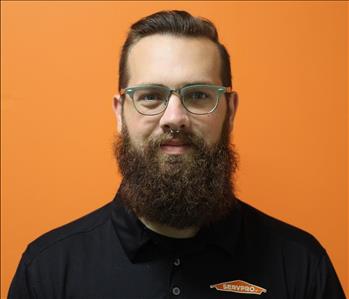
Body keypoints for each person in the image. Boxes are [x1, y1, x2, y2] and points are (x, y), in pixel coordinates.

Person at [8, 10, 345, 299]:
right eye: (151, 96)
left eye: (198, 95)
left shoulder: (302, 266)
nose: (174, 118)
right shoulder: (47, 272)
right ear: (119, 113)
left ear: (230, 110)